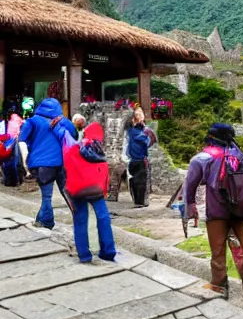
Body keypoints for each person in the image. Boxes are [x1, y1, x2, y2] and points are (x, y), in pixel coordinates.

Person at [182, 122, 243, 296]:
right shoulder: (241, 156)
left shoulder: (203, 158)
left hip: (217, 209)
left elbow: (189, 187)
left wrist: (189, 209)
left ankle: (219, 284)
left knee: (217, 248)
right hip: (240, 208)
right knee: (241, 245)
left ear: (210, 137)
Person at [60, 121, 115, 264]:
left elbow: (65, 169)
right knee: (103, 217)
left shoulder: (72, 149)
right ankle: (108, 251)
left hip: (77, 190)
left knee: (80, 220)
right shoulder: (99, 151)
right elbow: (104, 173)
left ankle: (84, 255)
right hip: (96, 190)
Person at [16, 97, 75, 228]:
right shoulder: (64, 122)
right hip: (63, 163)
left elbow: (22, 141)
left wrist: (25, 163)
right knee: (67, 193)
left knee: (46, 196)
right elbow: (75, 135)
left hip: (42, 164)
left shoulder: (32, 121)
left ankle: (47, 222)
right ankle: (80, 218)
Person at [123, 107, 156, 207]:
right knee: (141, 181)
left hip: (132, 160)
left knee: (134, 180)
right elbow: (148, 142)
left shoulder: (130, 131)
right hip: (140, 160)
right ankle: (139, 202)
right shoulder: (141, 133)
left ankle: (138, 201)